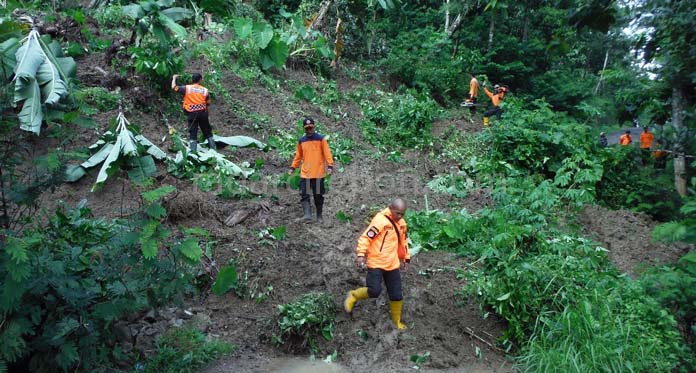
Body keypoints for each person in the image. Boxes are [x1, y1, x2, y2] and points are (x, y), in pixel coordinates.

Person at [344, 199, 411, 330]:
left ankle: (396, 322)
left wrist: (406, 258)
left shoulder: (402, 224)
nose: (400, 216)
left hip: (392, 264)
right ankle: (353, 295)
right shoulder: (380, 221)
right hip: (377, 263)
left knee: (396, 295)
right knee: (374, 290)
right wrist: (361, 255)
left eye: (403, 214)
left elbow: (404, 242)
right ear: (390, 208)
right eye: (398, 213)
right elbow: (366, 238)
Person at [289, 117, 334, 223]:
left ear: (314, 127)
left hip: (318, 173)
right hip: (305, 174)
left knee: (318, 195)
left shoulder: (321, 139)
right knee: (304, 194)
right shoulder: (301, 141)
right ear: (304, 129)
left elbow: (327, 153)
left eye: (311, 127)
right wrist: (292, 167)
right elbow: (298, 156)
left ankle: (319, 216)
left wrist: (330, 166)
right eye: (307, 128)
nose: (309, 129)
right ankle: (307, 215)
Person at [172, 73, 215, 152]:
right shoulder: (205, 90)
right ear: (200, 80)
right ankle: (213, 150)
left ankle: (193, 153)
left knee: (193, 133)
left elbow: (174, 87)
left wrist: (174, 78)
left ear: (192, 80)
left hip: (192, 114)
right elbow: (208, 103)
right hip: (203, 113)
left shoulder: (187, 88)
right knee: (207, 132)